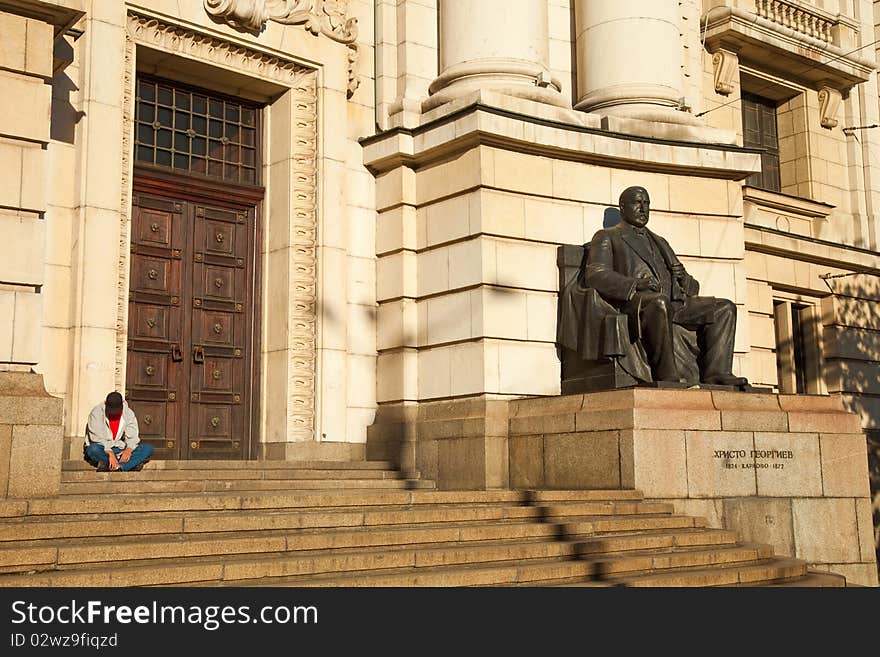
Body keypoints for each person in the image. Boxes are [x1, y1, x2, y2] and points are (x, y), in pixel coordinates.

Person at [582, 186, 748, 386]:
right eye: (637, 203)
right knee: (659, 303)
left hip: (676, 304)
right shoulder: (608, 236)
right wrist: (635, 284)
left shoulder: (660, 241)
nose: (643, 209)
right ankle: (667, 375)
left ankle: (717, 372)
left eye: (647, 204)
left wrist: (684, 280)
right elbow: (596, 274)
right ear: (623, 207)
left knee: (725, 308)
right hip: (636, 302)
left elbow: (692, 287)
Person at [83, 392, 153, 471]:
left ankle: (115, 466)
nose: (114, 413)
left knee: (148, 448)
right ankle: (130, 465)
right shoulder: (96, 413)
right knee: (93, 449)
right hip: (103, 449)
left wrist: (128, 450)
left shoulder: (128, 413)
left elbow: (132, 436)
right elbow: (96, 438)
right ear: (106, 404)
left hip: (120, 449)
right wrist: (110, 453)